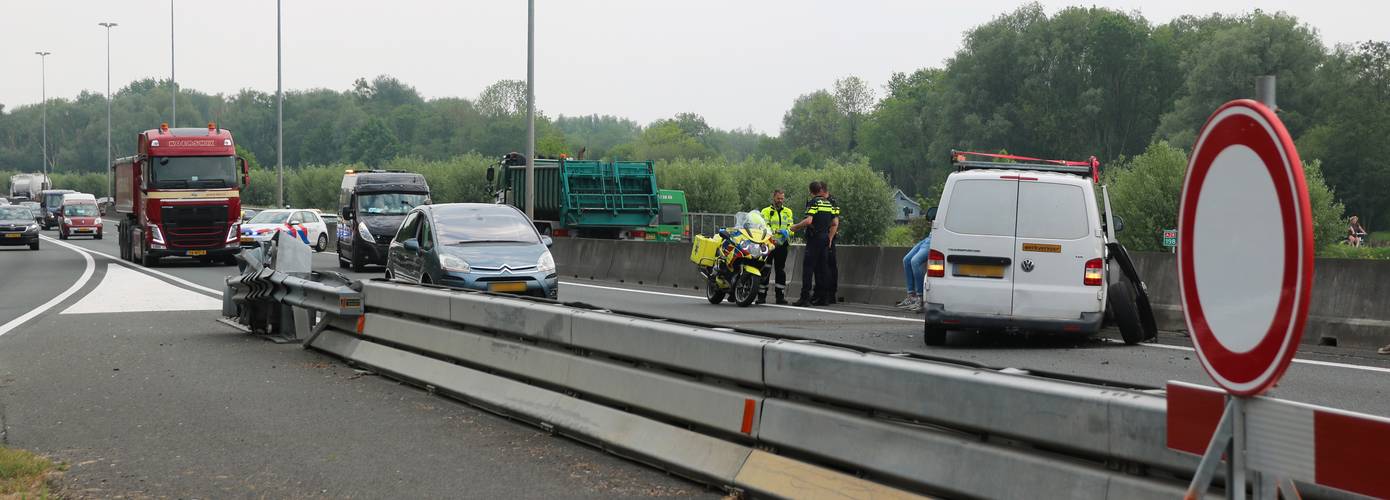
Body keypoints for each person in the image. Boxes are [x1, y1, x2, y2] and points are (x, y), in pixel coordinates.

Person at [789, 181, 839, 307]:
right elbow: (834, 223)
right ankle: (823, 298)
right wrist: (828, 236)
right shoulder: (828, 203)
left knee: (808, 268)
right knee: (823, 268)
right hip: (825, 238)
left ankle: (804, 298)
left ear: (811, 191)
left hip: (815, 238)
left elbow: (809, 220)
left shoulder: (813, 202)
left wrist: (796, 227)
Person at [759, 190, 795, 304]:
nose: (780, 201)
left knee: (780, 270)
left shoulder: (788, 212)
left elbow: (791, 227)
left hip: (782, 244)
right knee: (765, 269)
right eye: (778, 198)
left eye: (782, 199)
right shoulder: (765, 211)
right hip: (769, 243)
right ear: (773, 198)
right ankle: (761, 296)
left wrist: (787, 232)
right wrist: (776, 231)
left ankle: (780, 296)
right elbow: (764, 226)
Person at [897, 223, 933, 313]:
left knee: (915, 261)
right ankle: (911, 297)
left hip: (934, 239)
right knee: (906, 260)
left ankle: (920, 298)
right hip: (928, 238)